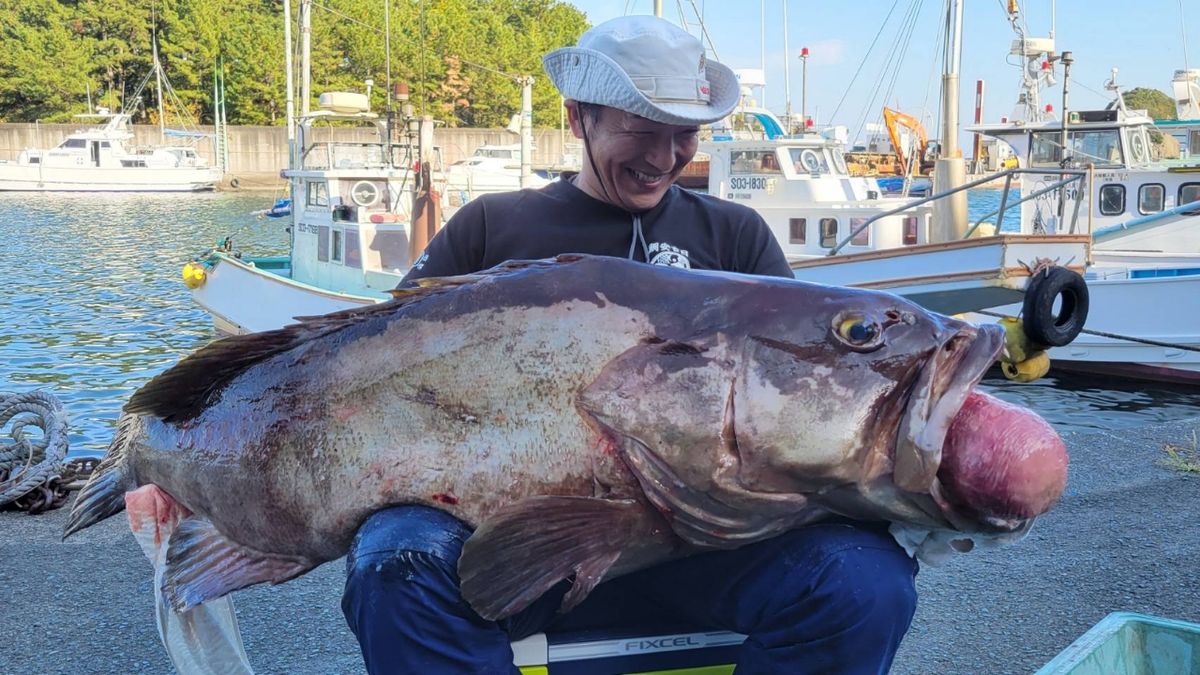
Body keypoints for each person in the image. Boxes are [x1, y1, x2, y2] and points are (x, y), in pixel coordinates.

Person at [341, 16, 918, 674]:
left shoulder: (738, 239)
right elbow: (378, 366)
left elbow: (811, 404)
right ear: (578, 117)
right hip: (511, 551)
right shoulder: (489, 227)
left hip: (707, 548)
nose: (666, 155)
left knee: (863, 583)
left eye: (684, 134)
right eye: (641, 130)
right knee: (396, 559)